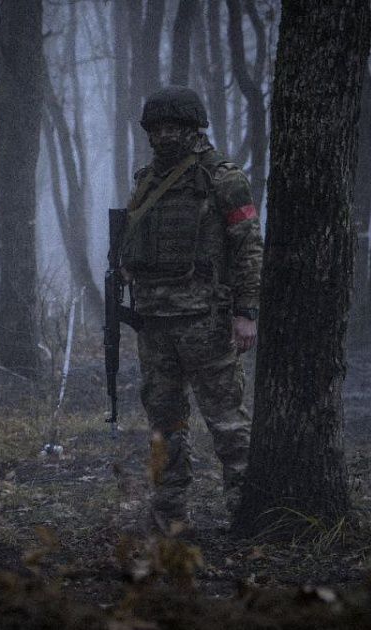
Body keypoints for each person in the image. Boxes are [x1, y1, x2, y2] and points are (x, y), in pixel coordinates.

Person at [120, 86, 263, 535]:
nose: (165, 136)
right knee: (164, 424)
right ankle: (169, 514)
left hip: (206, 319)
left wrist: (246, 312)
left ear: (194, 128)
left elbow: (248, 246)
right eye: (157, 128)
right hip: (154, 321)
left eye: (174, 127)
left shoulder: (223, 178)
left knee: (227, 423)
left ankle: (244, 513)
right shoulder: (145, 180)